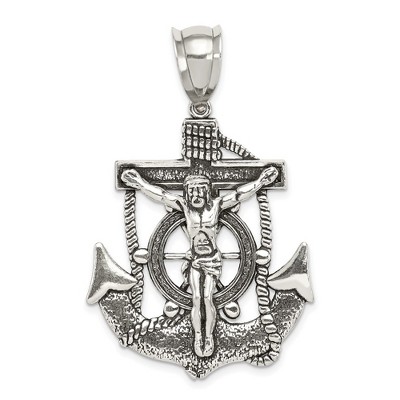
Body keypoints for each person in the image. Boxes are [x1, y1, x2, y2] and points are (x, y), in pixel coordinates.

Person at [121, 167, 278, 357]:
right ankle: (198, 336)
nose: (195, 195)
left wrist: (261, 181)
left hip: (212, 260)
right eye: (192, 191)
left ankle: (209, 337)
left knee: (207, 298)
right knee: (197, 298)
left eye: (199, 191)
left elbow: (238, 194)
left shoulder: (216, 207)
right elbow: (162, 195)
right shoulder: (186, 208)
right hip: (194, 260)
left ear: (207, 192)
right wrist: (139, 183)